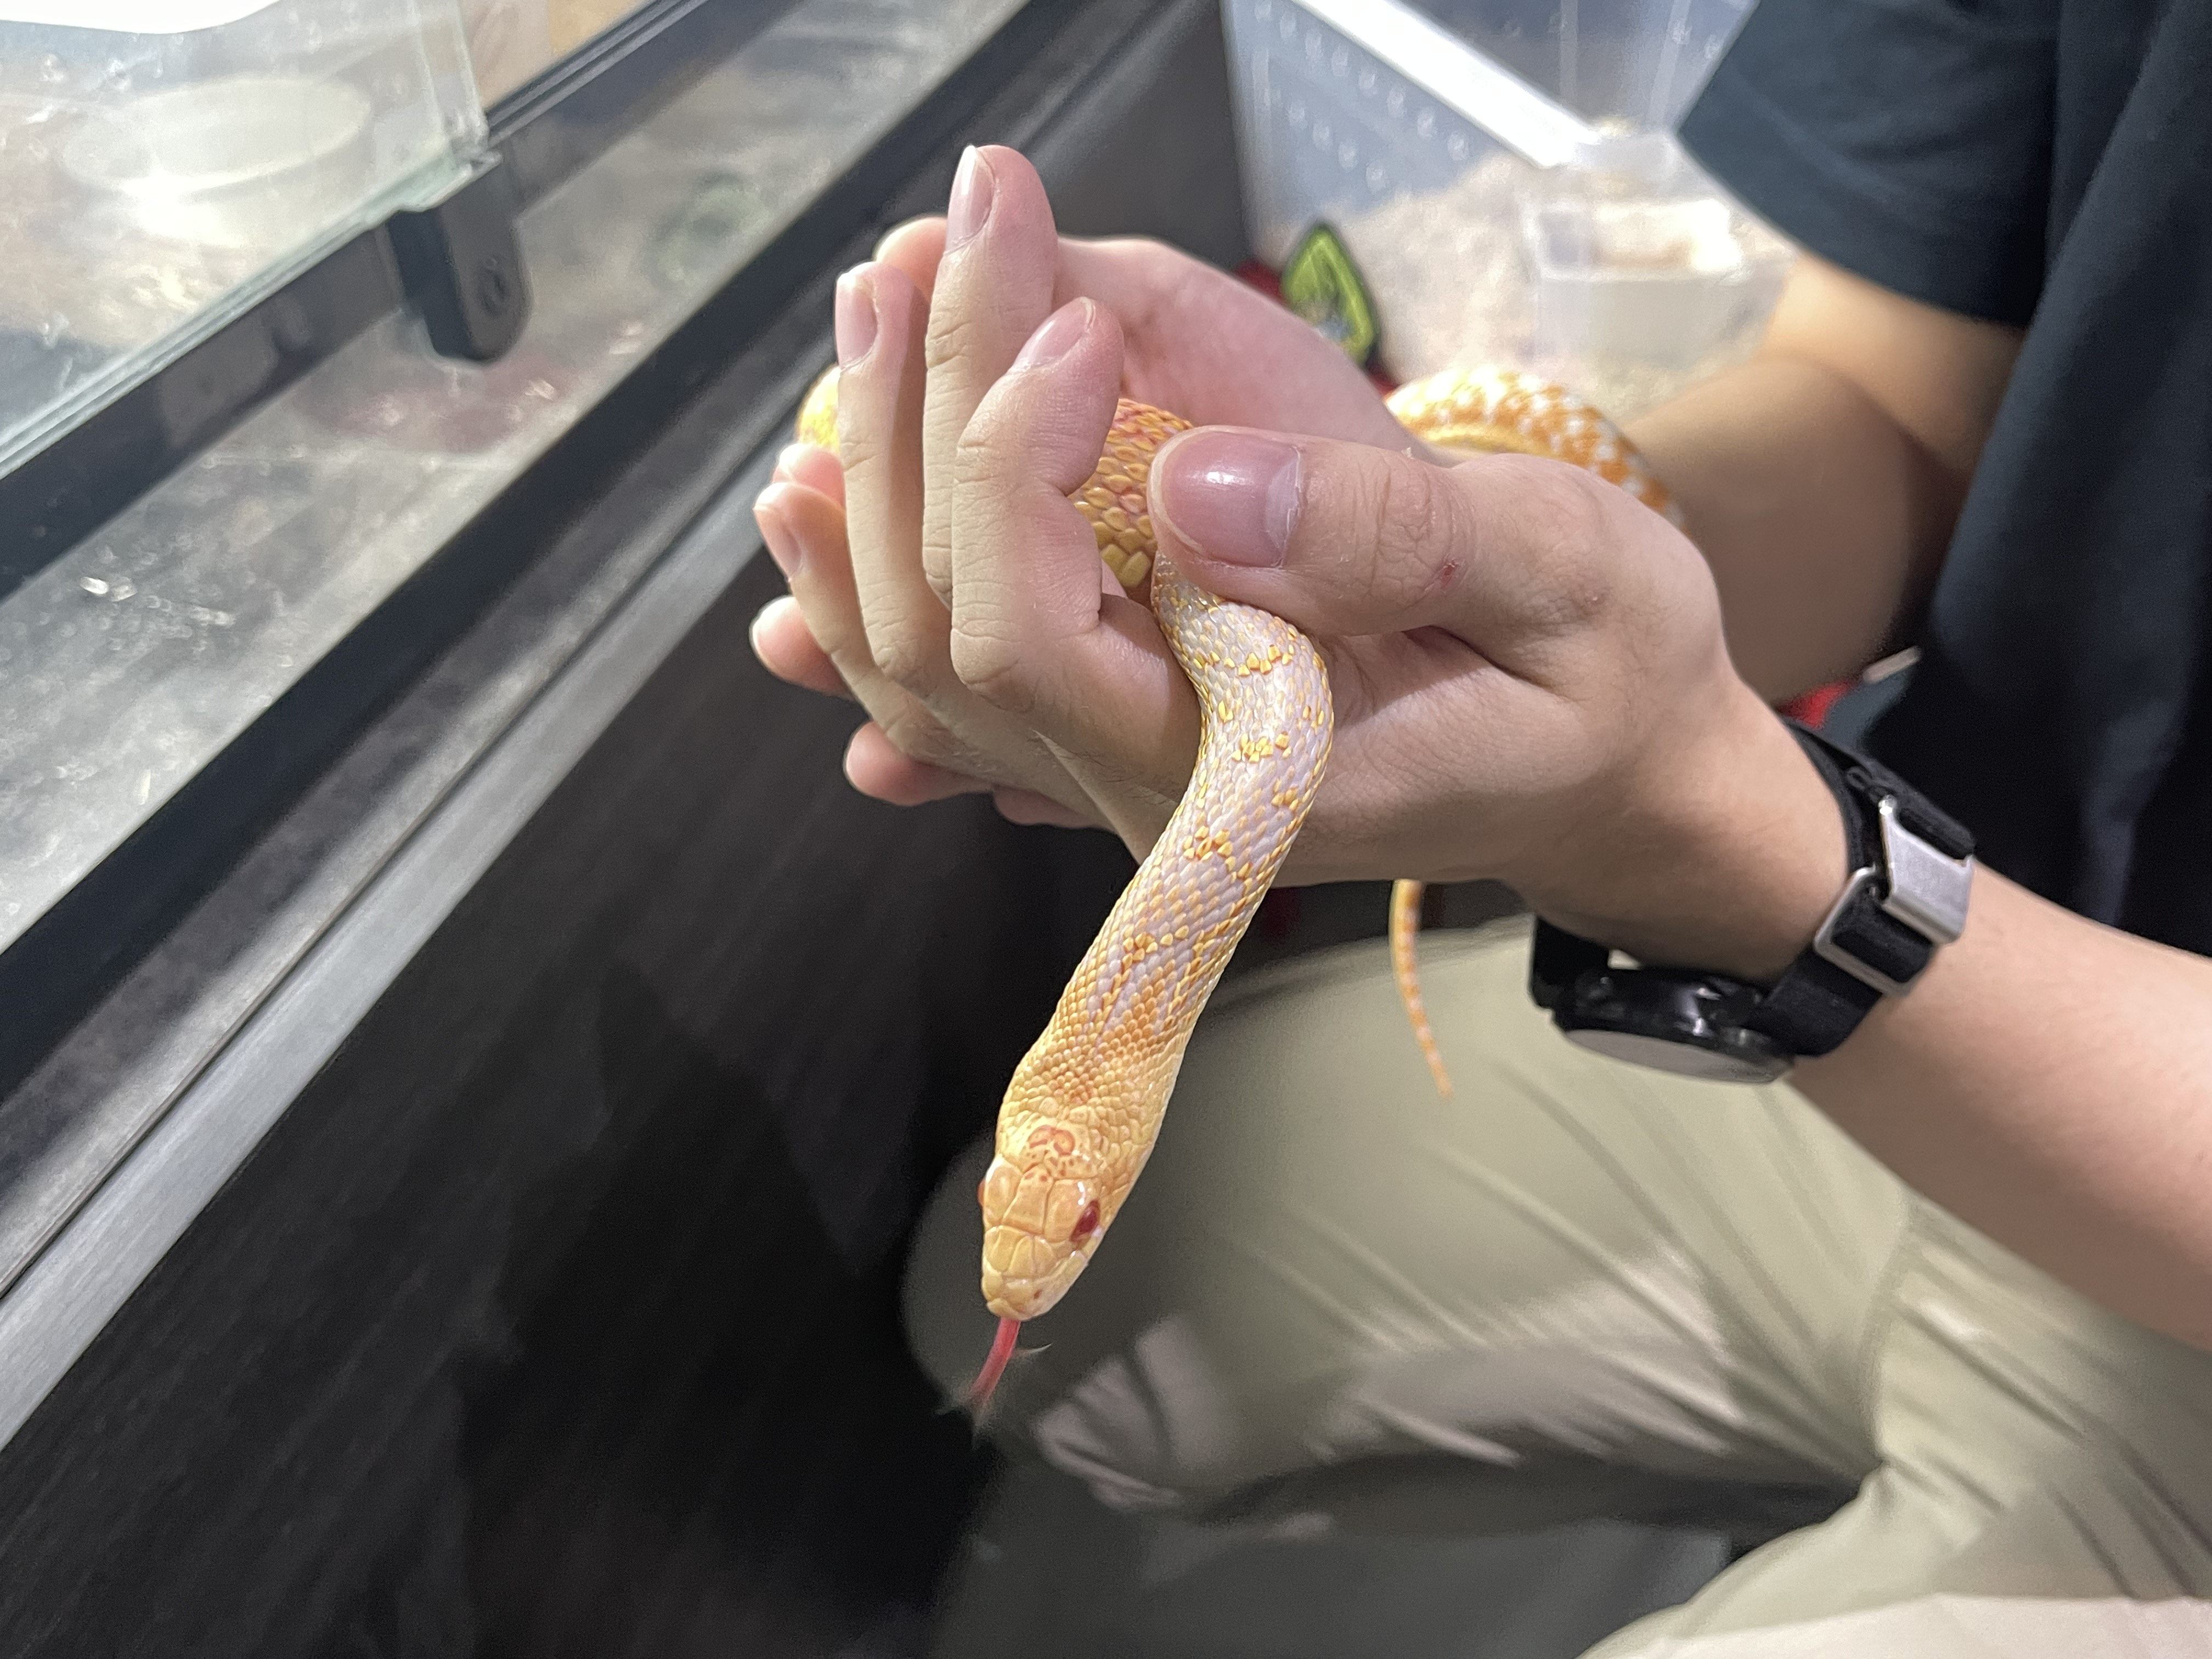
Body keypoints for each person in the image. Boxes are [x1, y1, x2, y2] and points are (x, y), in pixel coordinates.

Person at [747, 0, 2212, 1649]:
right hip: (1944, 988)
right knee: (1001, 1316)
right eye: (1067, 1188)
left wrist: (1682, 824)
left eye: (1070, 1195)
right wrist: (1464, 546)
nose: (1062, 1224)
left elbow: (1659, 812)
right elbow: (1897, 409)